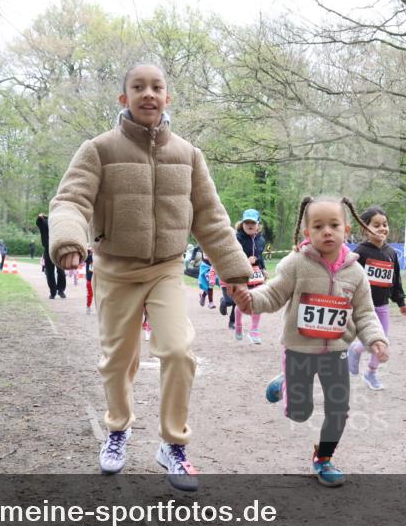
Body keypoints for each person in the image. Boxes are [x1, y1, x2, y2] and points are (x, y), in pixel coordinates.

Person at [47, 63, 252, 490]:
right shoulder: (98, 149)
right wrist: (68, 241)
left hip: (166, 268)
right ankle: (117, 431)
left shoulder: (189, 155)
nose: (148, 94)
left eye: (157, 87)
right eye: (137, 87)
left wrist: (236, 272)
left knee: (178, 351)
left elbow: (212, 219)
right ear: (123, 99)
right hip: (115, 269)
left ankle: (172, 445)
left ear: (167, 97)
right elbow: (70, 200)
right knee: (118, 360)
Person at [252, 197, 389, 487]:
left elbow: (365, 312)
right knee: (300, 414)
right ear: (307, 234)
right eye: (318, 226)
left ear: (347, 229)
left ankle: (323, 458)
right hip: (299, 350)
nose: (327, 231)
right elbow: (273, 295)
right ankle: (287, 383)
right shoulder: (296, 264)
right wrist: (250, 299)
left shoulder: (356, 271)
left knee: (339, 409)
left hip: (336, 351)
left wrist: (376, 338)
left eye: (334, 225)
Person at [347, 205, 406, 390]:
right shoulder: (360, 252)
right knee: (370, 339)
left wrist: (401, 301)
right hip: (363, 307)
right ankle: (356, 349)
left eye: (385, 224)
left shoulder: (391, 253)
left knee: (382, 340)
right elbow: (349, 277)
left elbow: (395, 280)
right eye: (376, 225)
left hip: (382, 306)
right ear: (365, 229)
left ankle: (371, 373)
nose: (382, 228)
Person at [234, 209, 267, 344]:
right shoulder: (237, 239)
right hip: (241, 273)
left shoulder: (261, 240)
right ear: (242, 224)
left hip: (256, 274)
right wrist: (245, 261)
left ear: (258, 224)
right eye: (246, 222)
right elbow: (233, 257)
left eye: (252, 222)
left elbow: (259, 256)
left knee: (257, 300)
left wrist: (263, 268)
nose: (250, 225)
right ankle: (238, 326)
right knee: (242, 302)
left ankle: (254, 330)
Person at [36, 214, 66, 299]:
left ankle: (61, 290)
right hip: (48, 250)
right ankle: (53, 292)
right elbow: (38, 221)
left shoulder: (59, 223)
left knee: (61, 271)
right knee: (49, 273)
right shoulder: (44, 222)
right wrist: (40, 216)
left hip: (58, 250)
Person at [85, 246, 95, 314]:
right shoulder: (89, 257)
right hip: (90, 279)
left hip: (99, 278)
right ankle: (88, 307)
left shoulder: (101, 257)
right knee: (90, 294)